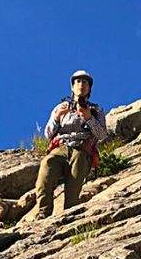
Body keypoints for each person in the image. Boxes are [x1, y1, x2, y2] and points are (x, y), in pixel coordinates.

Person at [35, 70, 109, 218]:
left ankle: (69, 213)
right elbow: (48, 134)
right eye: (78, 81)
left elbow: (101, 135)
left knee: (74, 182)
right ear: (72, 87)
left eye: (85, 82)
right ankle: (43, 212)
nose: (81, 84)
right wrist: (57, 118)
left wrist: (88, 118)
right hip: (61, 147)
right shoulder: (61, 107)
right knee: (47, 165)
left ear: (89, 89)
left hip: (82, 149)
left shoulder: (96, 110)